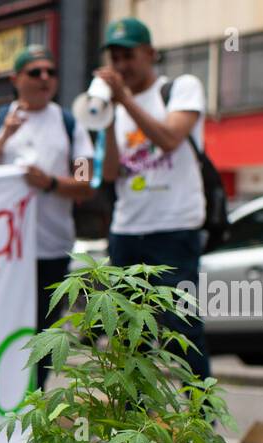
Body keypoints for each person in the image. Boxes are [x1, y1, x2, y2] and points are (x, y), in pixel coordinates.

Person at [0, 44, 95, 388]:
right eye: (35, 72)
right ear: (16, 79)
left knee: (42, 336)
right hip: (2, 253)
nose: (45, 78)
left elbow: (86, 183)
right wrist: (4, 137)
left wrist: (50, 183)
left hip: (51, 251)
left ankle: (34, 408)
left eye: (50, 72)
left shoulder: (71, 124)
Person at [96, 16, 212, 380]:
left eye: (128, 55)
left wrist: (125, 100)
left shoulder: (181, 87)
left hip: (174, 228)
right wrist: (108, 115)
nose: (121, 65)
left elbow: (169, 138)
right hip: (127, 230)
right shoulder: (116, 105)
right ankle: (134, 427)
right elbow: (110, 173)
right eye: (114, 57)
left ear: (150, 54)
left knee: (181, 329)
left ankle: (201, 423)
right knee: (130, 337)